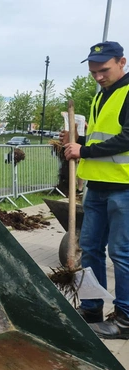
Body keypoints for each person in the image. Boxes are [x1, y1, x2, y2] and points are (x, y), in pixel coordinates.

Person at [62, 41, 129, 339]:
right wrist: (75, 138)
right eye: (93, 72)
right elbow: (101, 134)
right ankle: (91, 308)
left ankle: (125, 318)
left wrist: (84, 149)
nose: (98, 77)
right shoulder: (100, 96)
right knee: (89, 249)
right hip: (98, 186)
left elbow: (126, 138)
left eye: (104, 70)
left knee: (121, 253)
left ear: (122, 62)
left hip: (124, 188)